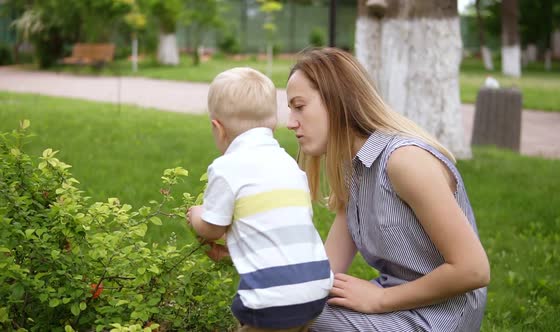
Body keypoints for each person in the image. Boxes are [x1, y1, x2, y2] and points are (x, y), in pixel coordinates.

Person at [285, 48, 490, 332]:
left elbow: (474, 270)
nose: (290, 122)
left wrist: (380, 299)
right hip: (397, 305)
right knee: (285, 304)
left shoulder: (404, 161)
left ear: (336, 100)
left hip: (440, 316)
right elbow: (323, 274)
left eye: (299, 106)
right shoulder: (352, 168)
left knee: (296, 316)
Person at [186, 67, 333, 332]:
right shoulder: (289, 166)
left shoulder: (226, 168)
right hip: (317, 290)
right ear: (272, 124)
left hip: (271, 300)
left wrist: (196, 214)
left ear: (217, 128)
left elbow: (212, 228)